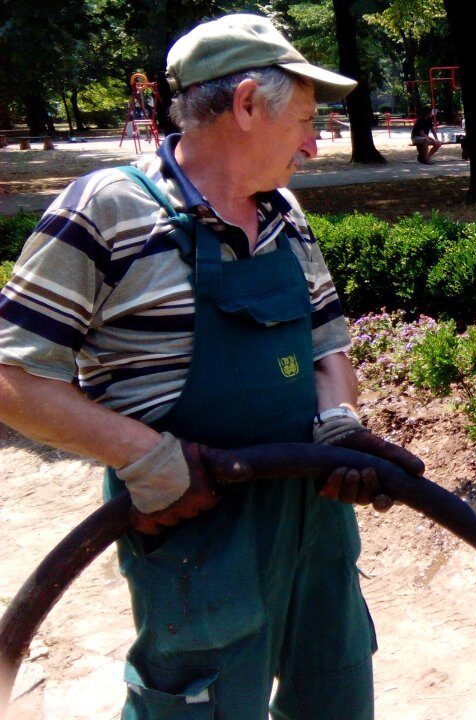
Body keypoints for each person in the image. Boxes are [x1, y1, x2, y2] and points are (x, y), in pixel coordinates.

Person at [0, 13, 424, 718]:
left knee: (335, 687)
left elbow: (328, 347)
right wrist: (147, 459)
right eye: (306, 122)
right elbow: (13, 378)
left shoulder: (285, 213)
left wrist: (339, 423)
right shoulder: (108, 209)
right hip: (193, 526)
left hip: (313, 515)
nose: (315, 145)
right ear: (248, 104)